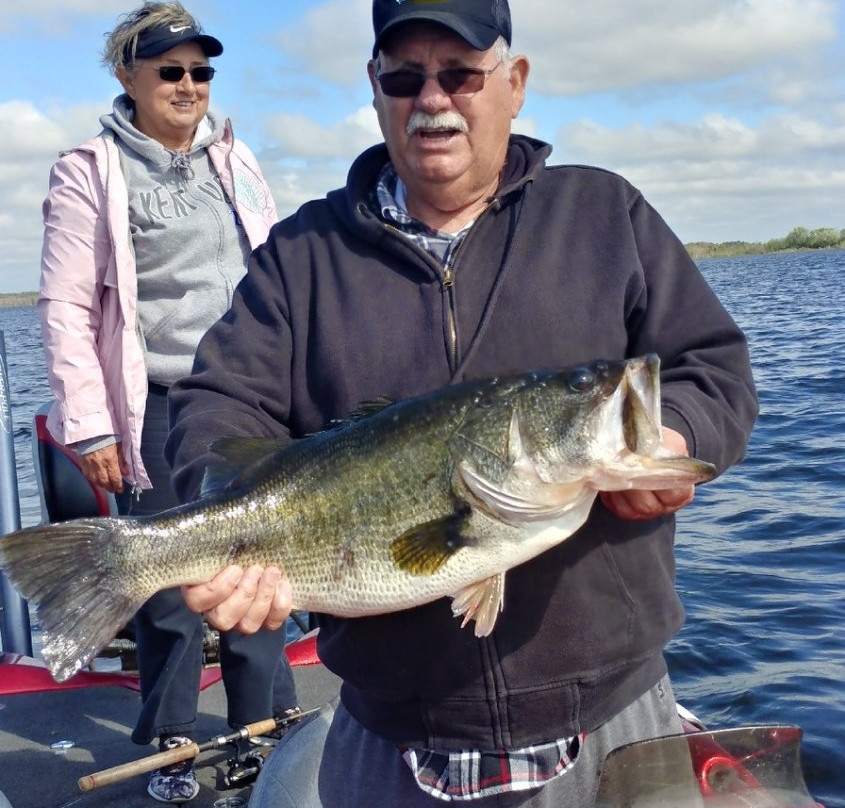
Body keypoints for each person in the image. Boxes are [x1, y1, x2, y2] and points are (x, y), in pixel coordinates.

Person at [166, 0, 759, 805]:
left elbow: (712, 365)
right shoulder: (301, 255)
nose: (433, 99)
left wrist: (675, 431)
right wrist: (218, 516)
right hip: (389, 725)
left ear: (514, 83)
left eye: (461, 74)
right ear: (374, 86)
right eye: (405, 78)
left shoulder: (603, 214)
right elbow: (219, 403)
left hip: (615, 708)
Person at [37, 2, 298, 803]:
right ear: (128, 76)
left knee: (262, 566)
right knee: (164, 587)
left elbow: (275, 271)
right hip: (157, 399)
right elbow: (66, 306)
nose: (189, 85)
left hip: (250, 396)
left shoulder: (234, 155)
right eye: (170, 70)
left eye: (201, 70)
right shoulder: (88, 170)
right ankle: (174, 741)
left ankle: (265, 728)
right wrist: (90, 426)